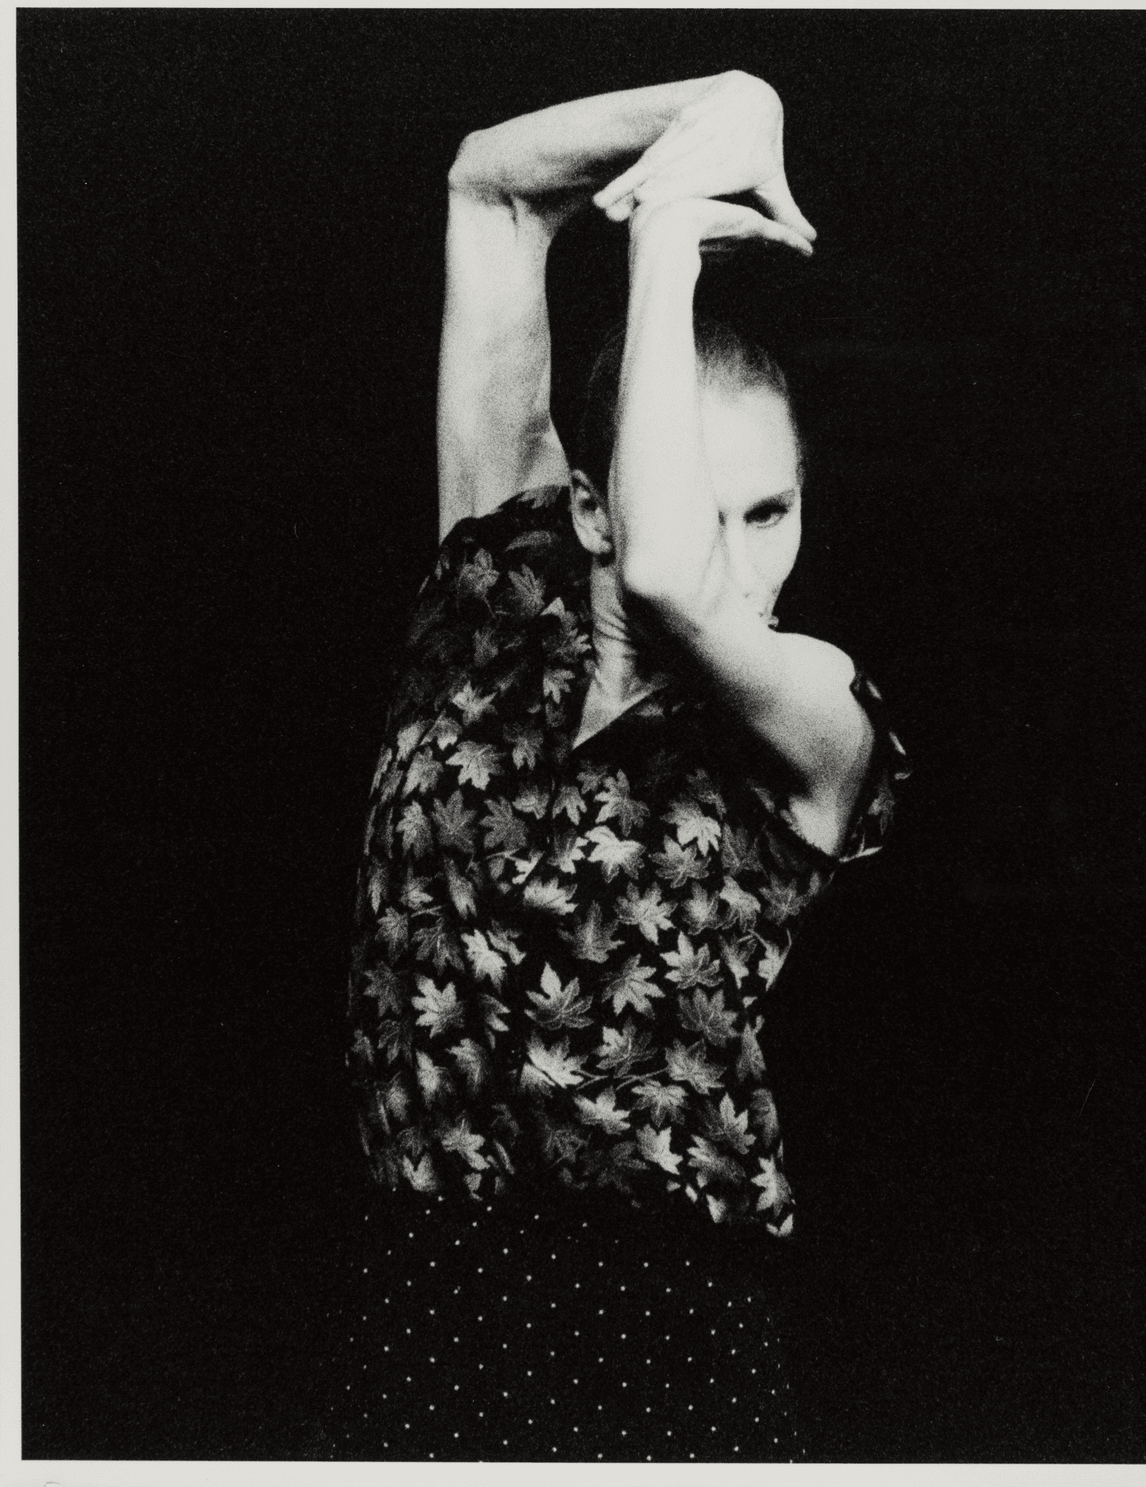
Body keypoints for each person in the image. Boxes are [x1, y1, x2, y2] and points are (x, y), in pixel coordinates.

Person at [329, 71, 907, 1462]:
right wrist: (724, 101)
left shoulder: (814, 715)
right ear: (578, 499)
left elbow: (671, 572)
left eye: (768, 510)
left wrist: (662, 247)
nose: (741, 552)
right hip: (420, 1296)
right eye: (709, 501)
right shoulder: (490, 591)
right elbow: (489, 184)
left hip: (658, 1316)